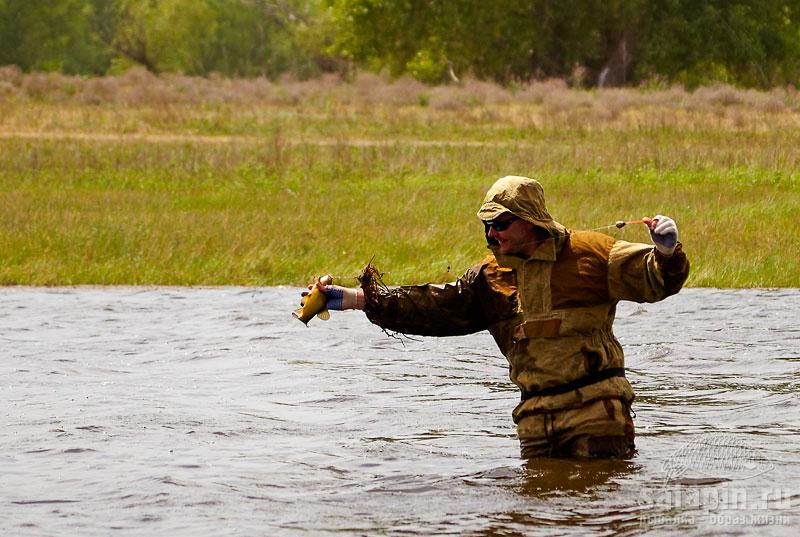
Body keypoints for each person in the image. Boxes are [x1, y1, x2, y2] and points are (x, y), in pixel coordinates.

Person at [311, 176, 689, 459]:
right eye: (486, 226)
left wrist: (667, 253)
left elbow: (654, 282)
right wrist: (352, 299)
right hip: (534, 421)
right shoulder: (490, 278)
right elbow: (434, 307)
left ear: (531, 221)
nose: (492, 233)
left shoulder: (591, 253)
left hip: (596, 413)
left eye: (502, 224)